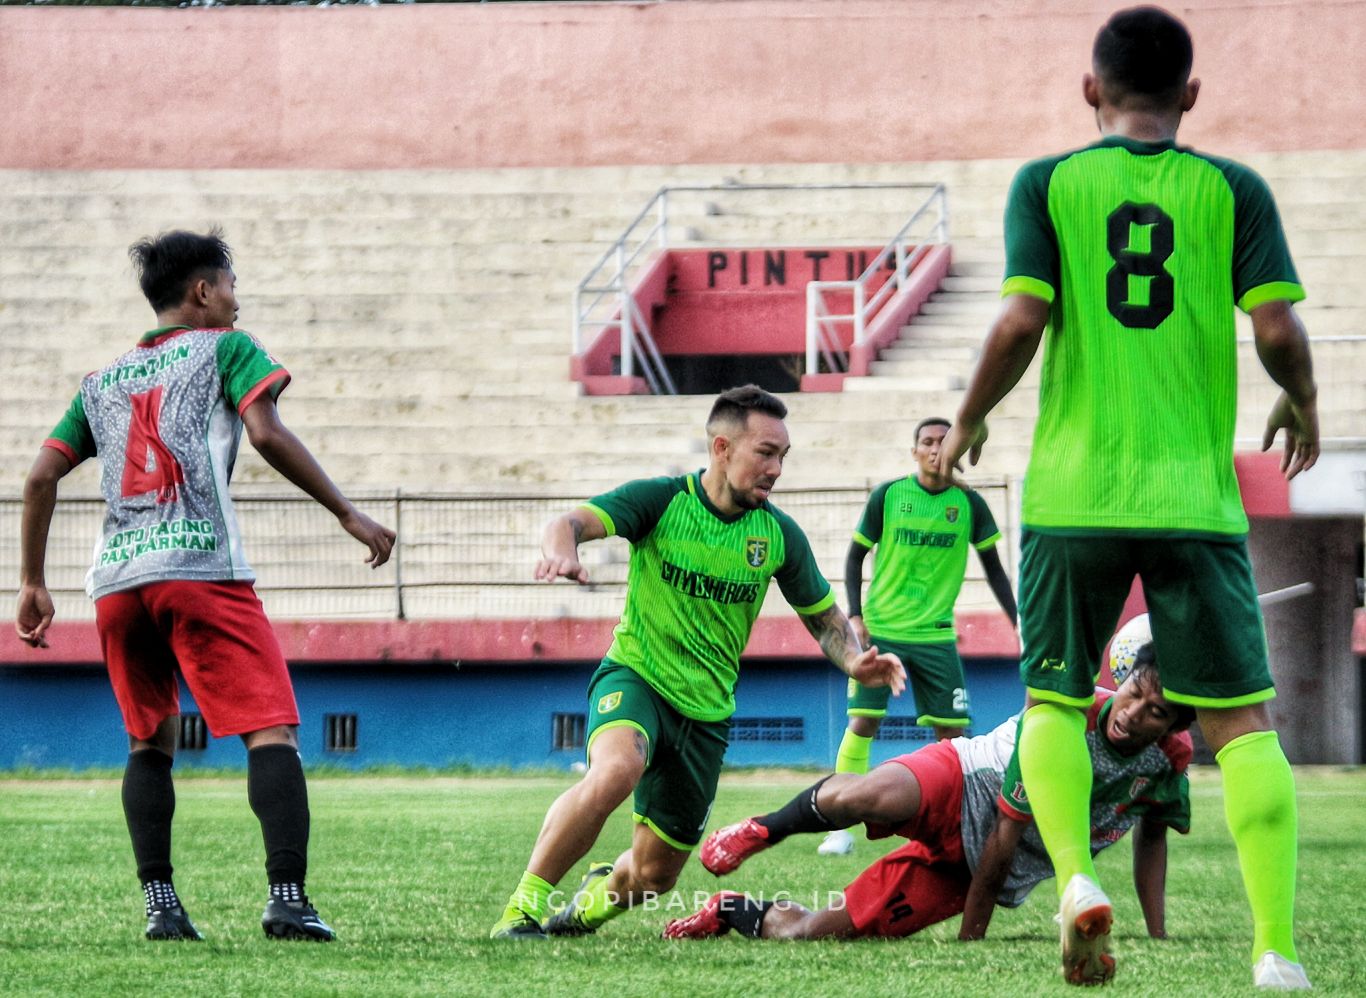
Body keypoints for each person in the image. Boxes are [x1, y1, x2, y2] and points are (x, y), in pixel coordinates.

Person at [936, 7, 1317, 988]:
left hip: (1073, 492)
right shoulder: (1232, 190)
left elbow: (1022, 318)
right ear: (1189, 95)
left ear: (1090, 90)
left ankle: (1070, 879)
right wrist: (1301, 398)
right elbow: (1275, 328)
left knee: (1056, 700)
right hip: (1192, 497)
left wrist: (972, 413)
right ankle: (1272, 948)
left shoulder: (1048, 183)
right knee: (1241, 727)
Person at [15, 229, 395, 942]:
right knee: (270, 730)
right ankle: (287, 898)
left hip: (119, 578)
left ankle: (162, 907)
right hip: (200, 569)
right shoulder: (226, 349)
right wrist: (347, 511)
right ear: (202, 292)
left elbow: (39, 477)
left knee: (148, 744)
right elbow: (266, 432)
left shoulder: (100, 383)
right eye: (229, 288)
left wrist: (32, 581)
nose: (236, 302)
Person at [488, 385, 906, 940]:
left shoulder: (778, 534)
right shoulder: (660, 501)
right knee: (617, 770)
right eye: (765, 452)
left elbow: (824, 618)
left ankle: (589, 905)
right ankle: (522, 908)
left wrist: (853, 663)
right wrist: (561, 549)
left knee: (654, 876)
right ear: (721, 447)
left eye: (783, 456)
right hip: (637, 676)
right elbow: (567, 523)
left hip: (706, 715)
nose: (776, 468)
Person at [668, 646, 1192, 949]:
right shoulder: (1066, 720)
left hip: (971, 866)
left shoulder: (1168, 761)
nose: (1133, 713)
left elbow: (1152, 840)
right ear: (1119, 683)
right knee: (868, 796)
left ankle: (732, 911)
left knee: (810, 934)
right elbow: (1008, 826)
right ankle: (765, 827)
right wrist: (972, 940)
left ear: (1177, 725)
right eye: (1133, 694)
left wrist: (1159, 933)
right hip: (966, 778)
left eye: (1156, 711)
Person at [819, 416, 1018, 857]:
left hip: (937, 637)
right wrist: (854, 615)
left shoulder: (971, 506)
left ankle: (957, 824)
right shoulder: (888, 495)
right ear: (914, 451)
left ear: (955, 450)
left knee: (954, 736)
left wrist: (1019, 622)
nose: (934, 448)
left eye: (943, 442)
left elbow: (996, 571)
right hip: (883, 630)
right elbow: (854, 557)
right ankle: (840, 826)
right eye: (926, 442)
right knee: (863, 722)